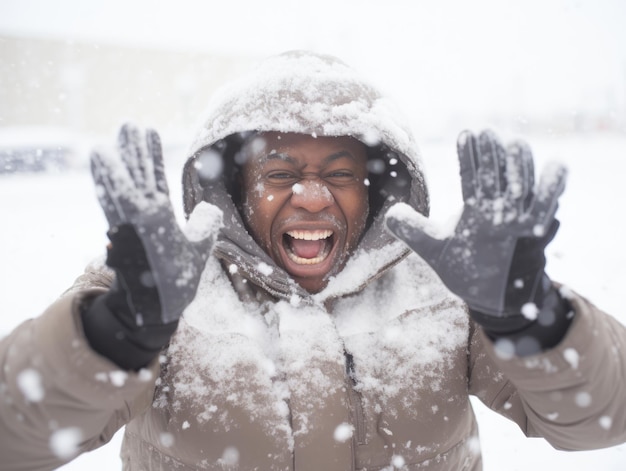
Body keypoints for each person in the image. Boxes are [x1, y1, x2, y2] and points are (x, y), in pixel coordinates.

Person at [1, 50, 625, 471]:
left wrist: (532, 320)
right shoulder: (154, 289)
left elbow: (600, 420)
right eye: (280, 173)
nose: (312, 195)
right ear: (237, 192)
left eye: (340, 173)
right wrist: (117, 334)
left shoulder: (448, 287)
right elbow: (15, 432)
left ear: (377, 189)